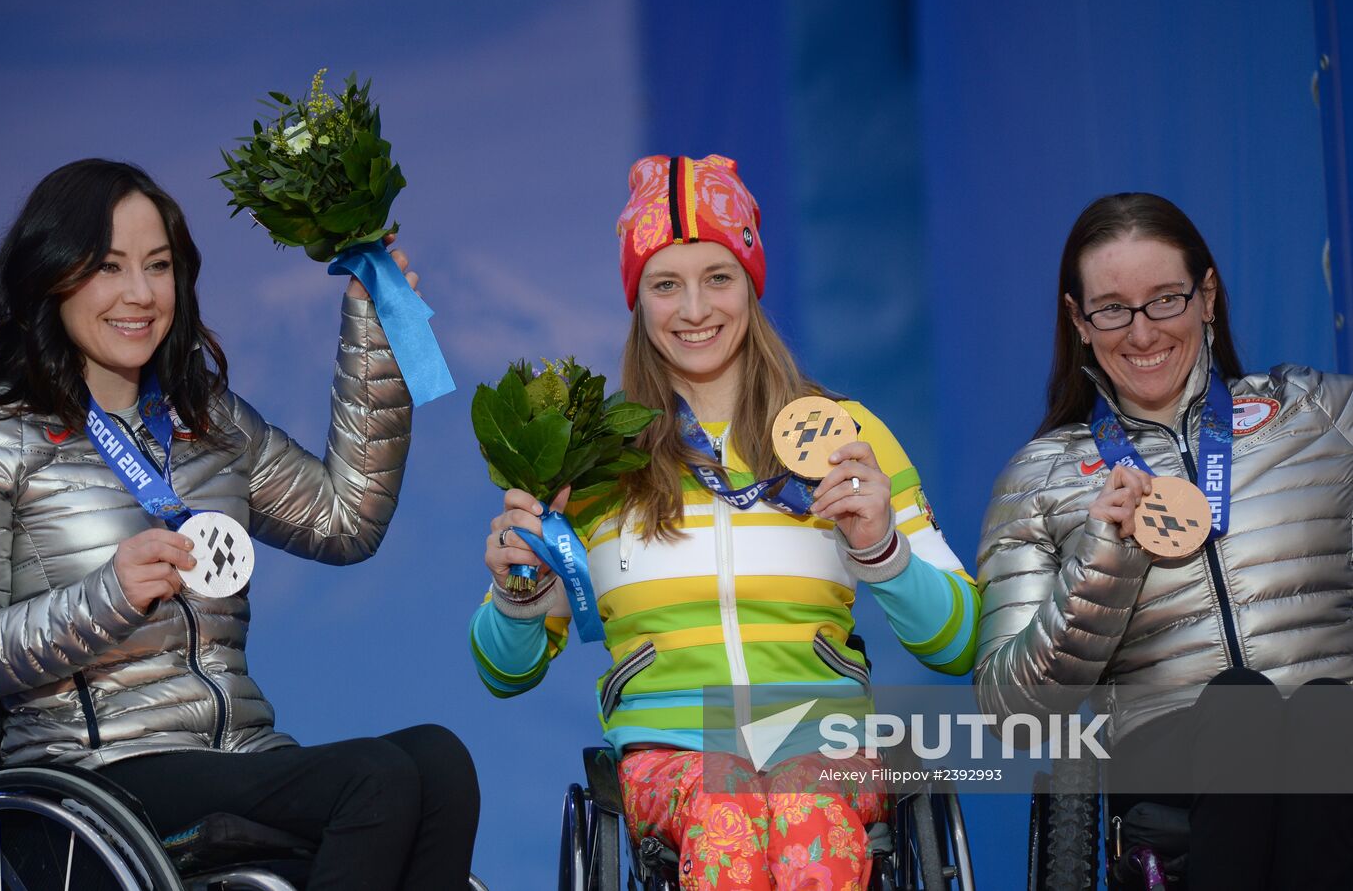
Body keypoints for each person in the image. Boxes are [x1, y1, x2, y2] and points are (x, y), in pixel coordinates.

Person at [0, 159, 478, 889]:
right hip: (93, 783)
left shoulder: (206, 419)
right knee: (377, 778)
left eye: (159, 266)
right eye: (109, 266)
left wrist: (376, 341)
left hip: (238, 754)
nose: (140, 293)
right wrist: (107, 597)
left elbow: (344, 520)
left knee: (440, 764)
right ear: (52, 275)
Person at [472, 154, 978, 890]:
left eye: (718, 276)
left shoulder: (845, 434)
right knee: (728, 811)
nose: (695, 308)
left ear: (751, 283)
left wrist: (884, 552)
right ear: (637, 300)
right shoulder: (592, 461)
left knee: (803, 807)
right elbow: (502, 669)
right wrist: (518, 592)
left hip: (822, 743)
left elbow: (964, 639)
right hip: (671, 756)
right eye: (665, 284)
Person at [973, 192, 1353, 890]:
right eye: (1113, 308)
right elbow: (1012, 714)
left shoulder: (1319, 414)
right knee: (1242, 702)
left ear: (1206, 296)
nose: (1142, 332)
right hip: (1174, 766)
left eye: (1166, 299)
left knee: (1326, 709)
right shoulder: (1040, 479)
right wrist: (1103, 558)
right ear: (1078, 321)